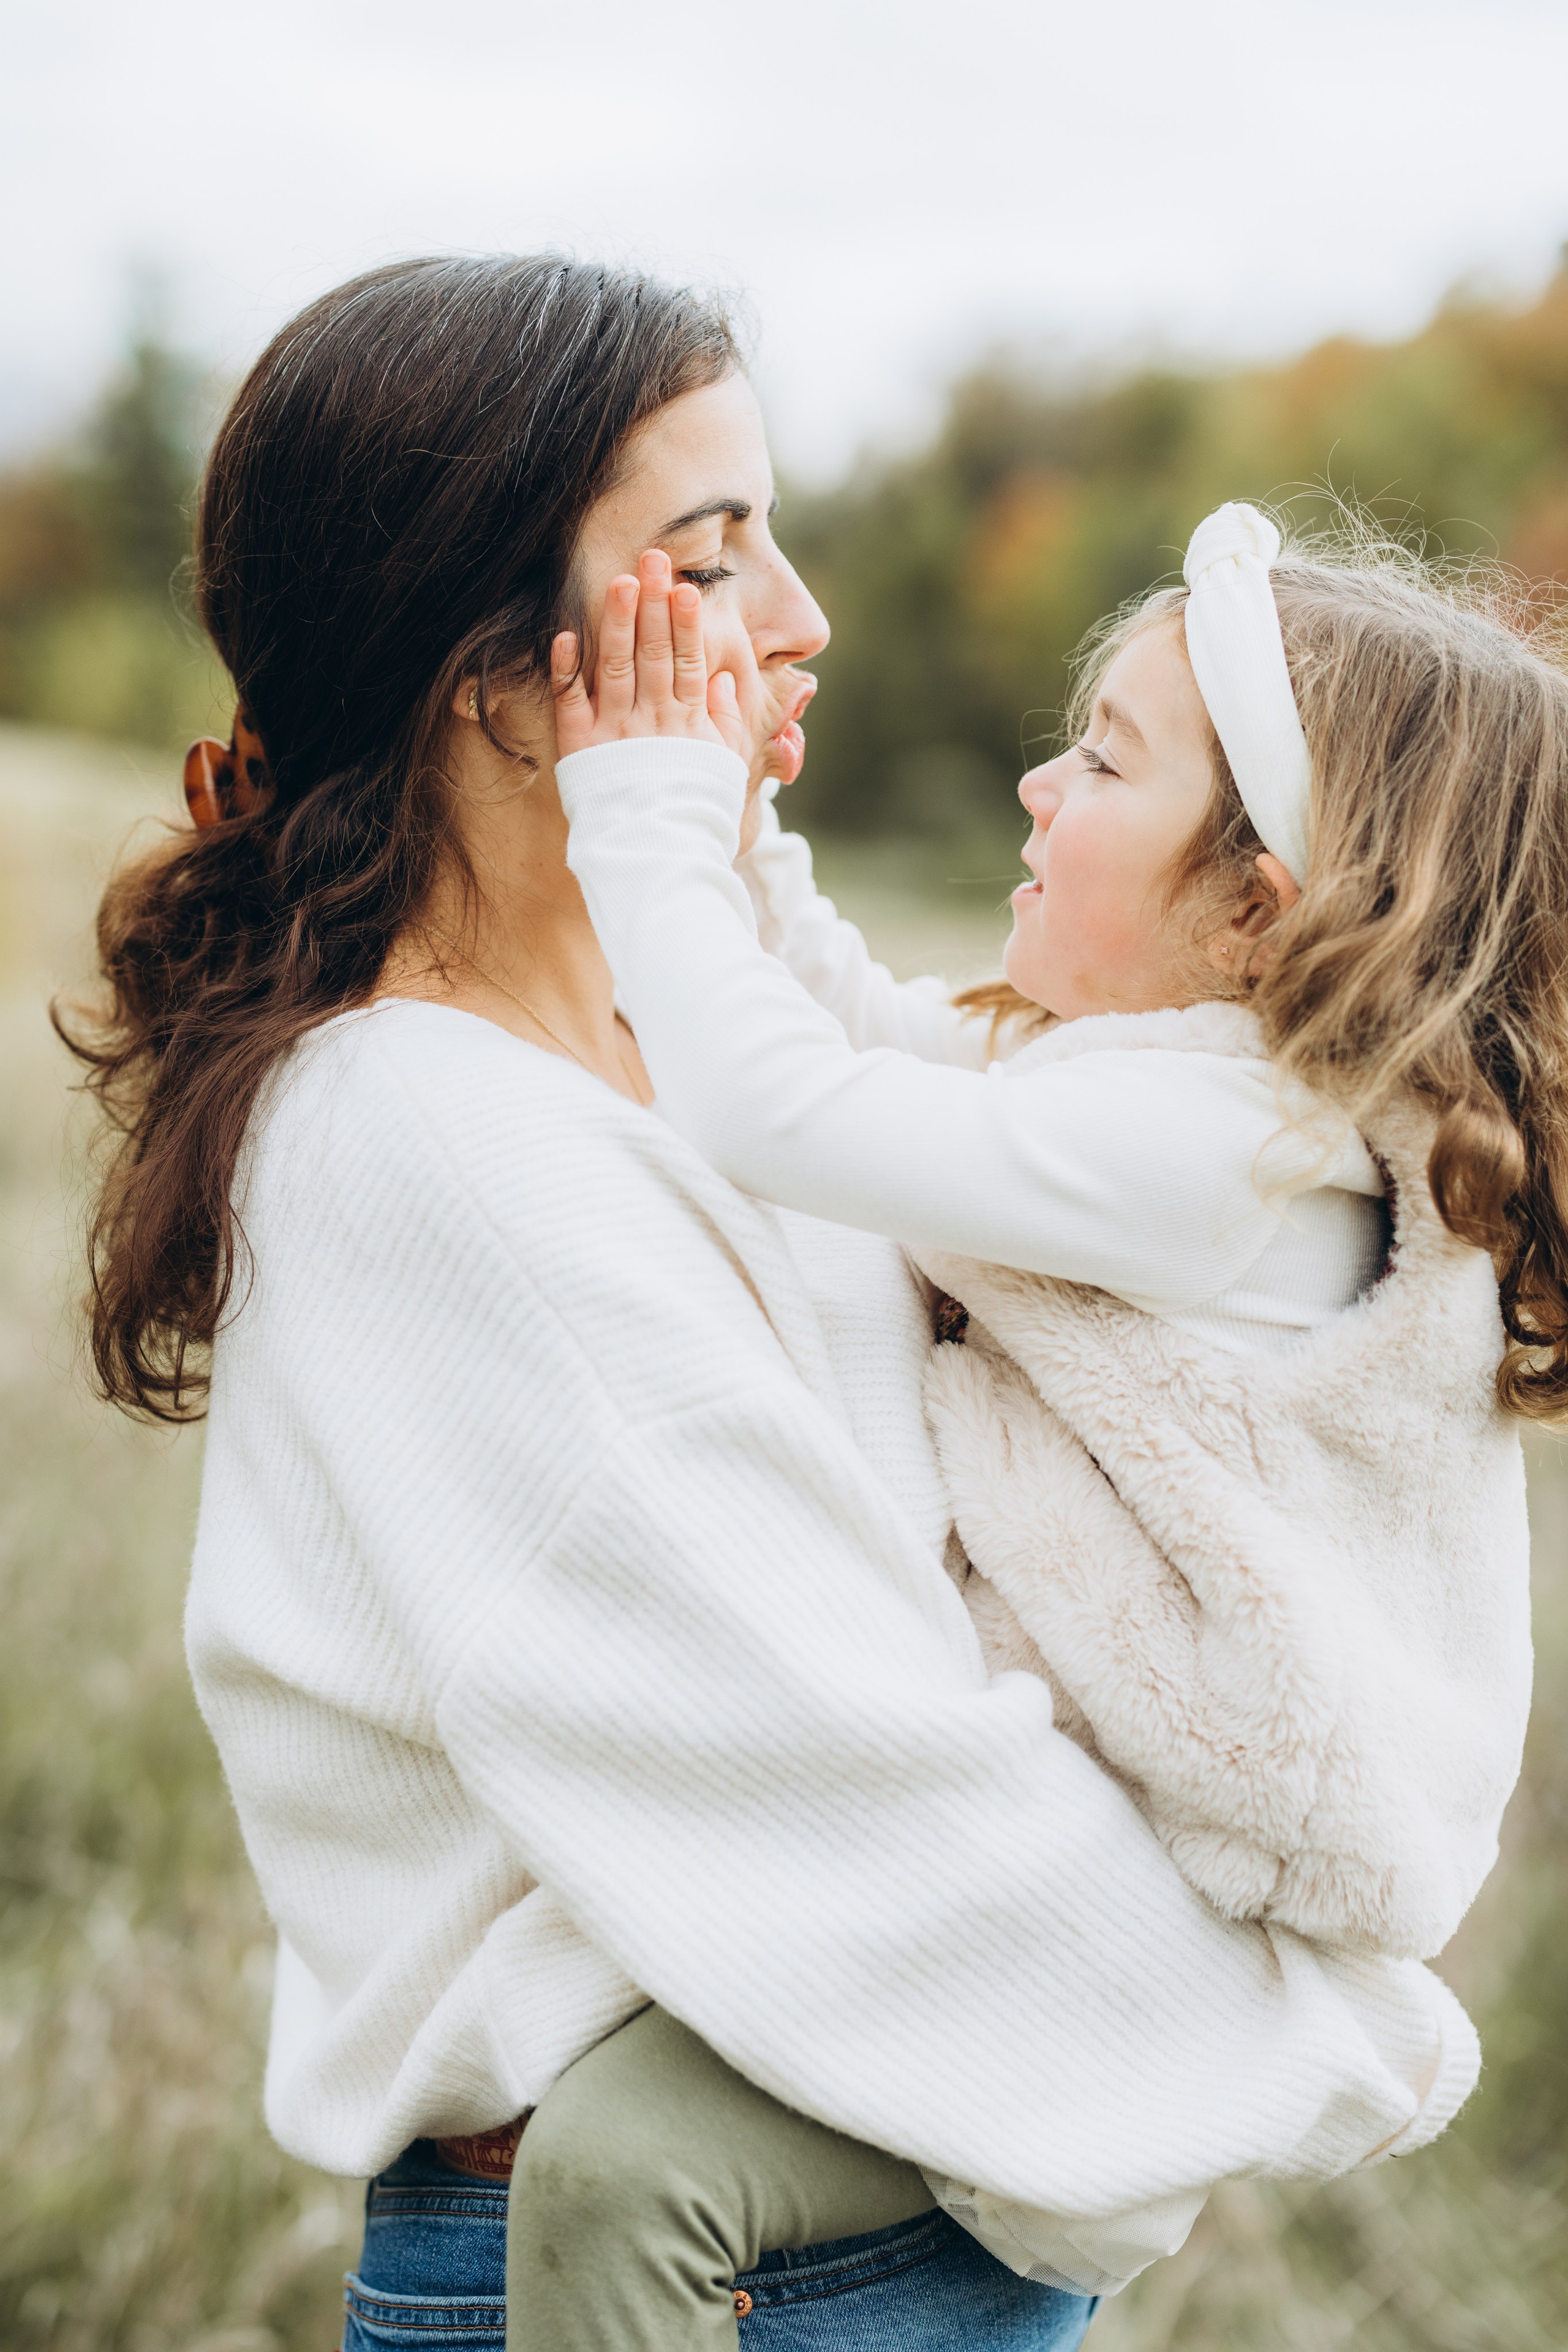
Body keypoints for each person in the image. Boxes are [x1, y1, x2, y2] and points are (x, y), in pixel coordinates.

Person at [64, 257, 1475, 2352]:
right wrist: (1330, 2044)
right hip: (687, 2265)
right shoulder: (432, 1142)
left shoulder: (677, 1040)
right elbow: (857, 1789)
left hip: (897, 2204)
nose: (803, 614)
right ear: (496, 672)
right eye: (706, 562)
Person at [516, 502, 1550, 2342]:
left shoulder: (1233, 1155)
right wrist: (743, 830)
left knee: (616, 2170)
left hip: (1089, 1970)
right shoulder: (1209, 1110)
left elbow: (780, 1109)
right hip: (1063, 1927)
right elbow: (860, 1046)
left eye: (1103, 759)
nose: (1034, 782)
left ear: (1257, 909)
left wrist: (649, 816)